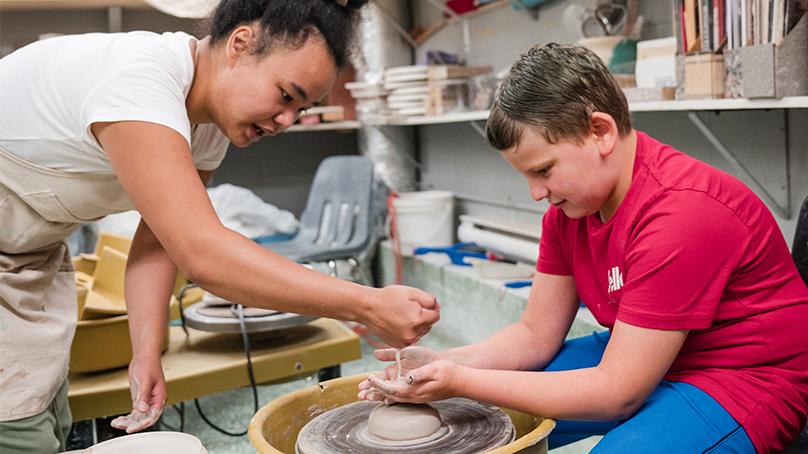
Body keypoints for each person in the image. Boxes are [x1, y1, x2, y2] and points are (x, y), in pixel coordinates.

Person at [0, 1, 441, 452]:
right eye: (287, 96)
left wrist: (146, 351)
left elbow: (160, 242)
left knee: (45, 416)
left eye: (302, 110)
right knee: (19, 433)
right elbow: (203, 254)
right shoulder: (141, 81)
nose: (286, 122)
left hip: (29, 259)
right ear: (240, 44)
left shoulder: (206, 126)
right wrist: (366, 304)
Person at [359, 43, 808, 453]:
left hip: (740, 376)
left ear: (600, 132)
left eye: (544, 170)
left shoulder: (682, 212)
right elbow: (535, 333)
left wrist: (462, 379)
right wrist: (442, 362)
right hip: (641, 351)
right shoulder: (570, 210)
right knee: (478, 414)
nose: (536, 193)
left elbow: (617, 392)